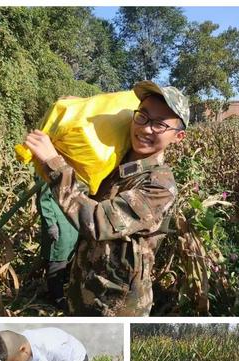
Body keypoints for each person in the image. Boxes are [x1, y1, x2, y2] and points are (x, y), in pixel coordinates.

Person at [24, 81, 189, 316]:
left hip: (115, 304)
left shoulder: (159, 185)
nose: (145, 129)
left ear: (178, 136)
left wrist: (55, 165)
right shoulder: (113, 161)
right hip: (83, 286)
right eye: (142, 117)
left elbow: (98, 221)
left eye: (159, 125)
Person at [36, 180, 78, 311]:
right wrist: (51, 223)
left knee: (71, 255)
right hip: (59, 220)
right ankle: (56, 296)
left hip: (73, 219)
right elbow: (43, 198)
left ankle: (65, 290)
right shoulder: (50, 166)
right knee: (58, 258)